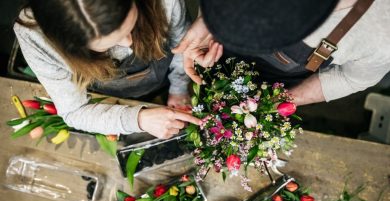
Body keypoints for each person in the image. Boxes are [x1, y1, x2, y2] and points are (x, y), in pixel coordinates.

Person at [14, 0, 201, 139]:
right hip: (109, 97)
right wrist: (138, 119)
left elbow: (182, 44)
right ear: (71, 46)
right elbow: (74, 111)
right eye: (109, 44)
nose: (129, 44)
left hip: (164, 78)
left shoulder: (163, 3)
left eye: (131, 24)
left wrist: (178, 88)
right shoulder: (36, 38)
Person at [172, 0, 390, 106]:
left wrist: (279, 102)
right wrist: (211, 23)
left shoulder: (382, 35)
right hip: (222, 52)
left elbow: (351, 78)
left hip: (279, 78)